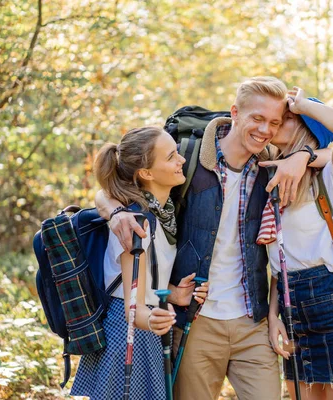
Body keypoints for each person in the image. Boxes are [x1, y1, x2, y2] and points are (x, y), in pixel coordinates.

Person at [96, 77, 331, 400]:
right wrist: (114, 211)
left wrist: (303, 156)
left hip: (253, 323)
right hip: (196, 322)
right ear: (235, 112)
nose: (265, 130)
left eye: (274, 123)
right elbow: (120, 183)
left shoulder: (273, 165)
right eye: (257, 119)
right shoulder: (186, 159)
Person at [70, 126, 209, 399]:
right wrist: (153, 318)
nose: (181, 160)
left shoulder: (160, 213)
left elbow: (140, 280)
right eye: (171, 157)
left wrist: (174, 293)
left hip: (140, 329)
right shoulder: (137, 223)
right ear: (146, 173)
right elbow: (132, 308)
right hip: (128, 334)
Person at [258, 87, 333, 400]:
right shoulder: (273, 178)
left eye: (284, 118)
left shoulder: (332, 177)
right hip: (291, 306)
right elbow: (277, 263)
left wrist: (304, 105)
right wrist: (274, 318)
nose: (273, 124)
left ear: (303, 125)